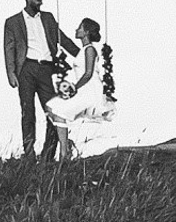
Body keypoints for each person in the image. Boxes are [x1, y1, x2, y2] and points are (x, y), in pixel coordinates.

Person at [1, 0, 77, 163]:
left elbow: (63, 39)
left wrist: (82, 55)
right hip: (26, 69)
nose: (40, 2)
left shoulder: (48, 18)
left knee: (54, 112)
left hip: (47, 69)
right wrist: (11, 73)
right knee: (28, 112)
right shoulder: (13, 22)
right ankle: (29, 156)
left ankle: (47, 156)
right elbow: (9, 48)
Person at [43, 15, 119, 162]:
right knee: (52, 108)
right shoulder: (83, 50)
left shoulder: (90, 49)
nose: (76, 30)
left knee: (58, 111)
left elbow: (88, 73)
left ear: (86, 32)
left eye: (80, 28)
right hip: (83, 88)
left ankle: (64, 152)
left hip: (90, 90)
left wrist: (74, 88)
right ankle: (66, 148)